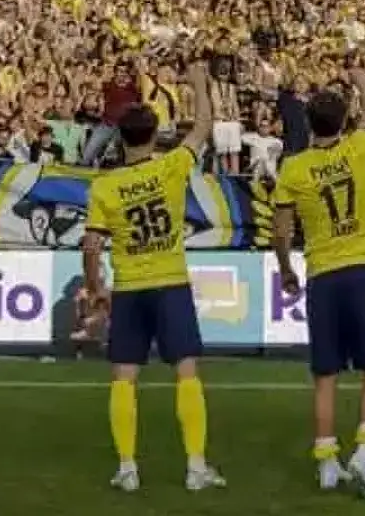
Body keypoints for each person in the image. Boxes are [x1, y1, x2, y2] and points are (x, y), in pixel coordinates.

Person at [80, 61, 225, 492]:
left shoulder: (105, 186)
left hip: (129, 288)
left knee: (124, 376)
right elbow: (203, 127)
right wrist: (198, 83)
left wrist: (95, 288)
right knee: (187, 372)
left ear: (120, 139)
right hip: (170, 282)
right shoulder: (172, 166)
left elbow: (91, 245)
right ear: (155, 134)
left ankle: (127, 469)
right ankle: (196, 467)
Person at [271, 68, 365, 504]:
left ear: (308, 124)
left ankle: (327, 462)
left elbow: (280, 230)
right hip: (362, 268)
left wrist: (286, 269)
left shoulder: (294, 167)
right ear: (344, 120)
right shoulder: (359, 147)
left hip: (322, 274)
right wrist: (361, 78)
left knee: (326, 375)